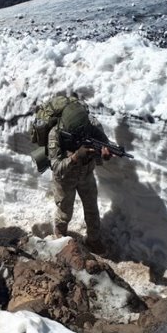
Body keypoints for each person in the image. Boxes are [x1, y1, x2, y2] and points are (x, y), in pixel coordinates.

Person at [47, 96, 113, 253]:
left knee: (92, 209)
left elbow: (103, 145)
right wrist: (75, 157)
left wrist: (103, 155)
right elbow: (56, 166)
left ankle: (93, 239)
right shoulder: (55, 134)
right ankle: (61, 235)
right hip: (64, 180)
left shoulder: (93, 125)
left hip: (86, 175)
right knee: (64, 212)